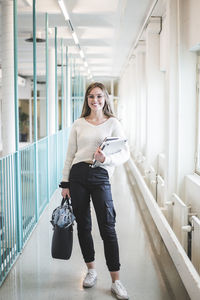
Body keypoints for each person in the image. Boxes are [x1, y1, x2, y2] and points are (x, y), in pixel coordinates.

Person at [60, 82, 130, 300]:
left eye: (99, 96)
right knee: (84, 225)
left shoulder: (113, 123)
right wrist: (65, 184)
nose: (95, 100)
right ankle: (91, 270)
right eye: (91, 96)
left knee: (108, 227)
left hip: (101, 175)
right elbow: (70, 154)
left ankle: (116, 282)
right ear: (87, 100)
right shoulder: (79, 123)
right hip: (78, 176)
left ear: (105, 98)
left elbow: (125, 153)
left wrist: (106, 159)